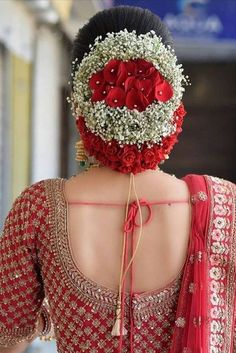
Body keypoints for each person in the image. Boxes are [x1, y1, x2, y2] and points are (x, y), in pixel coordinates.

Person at [0, 5, 235, 353]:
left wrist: (54, 315)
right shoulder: (223, 208)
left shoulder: (39, 210)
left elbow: (8, 339)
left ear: (81, 104)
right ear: (169, 104)